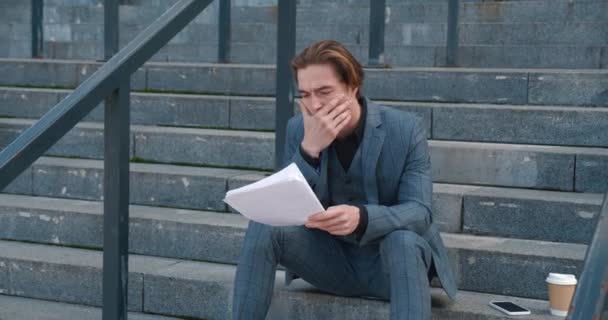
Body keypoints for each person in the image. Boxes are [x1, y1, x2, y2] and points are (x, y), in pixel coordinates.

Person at [232, 40, 457, 320]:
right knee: (263, 225)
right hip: (330, 263)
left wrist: (362, 218)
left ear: (353, 86)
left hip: (392, 267)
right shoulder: (298, 129)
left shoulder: (405, 128)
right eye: (305, 94)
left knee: (403, 240)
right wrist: (308, 150)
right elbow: (284, 208)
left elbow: (420, 212)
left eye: (324, 92)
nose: (314, 105)